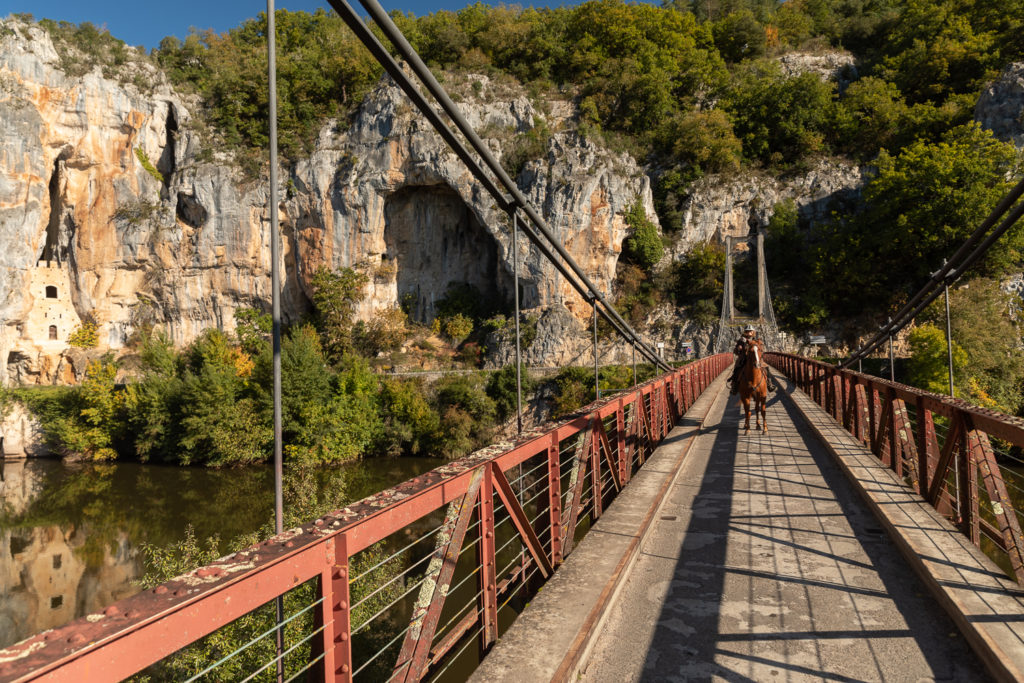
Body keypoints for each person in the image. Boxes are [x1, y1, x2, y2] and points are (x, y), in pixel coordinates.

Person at [727, 325, 776, 394]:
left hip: (755, 358)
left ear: (753, 332)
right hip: (744, 358)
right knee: (737, 369)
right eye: (748, 331)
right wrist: (738, 349)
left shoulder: (756, 340)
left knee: (766, 367)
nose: (749, 332)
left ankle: (769, 384)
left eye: (751, 331)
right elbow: (735, 351)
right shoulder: (741, 340)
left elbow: (761, 349)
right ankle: (734, 386)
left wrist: (760, 348)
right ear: (745, 332)